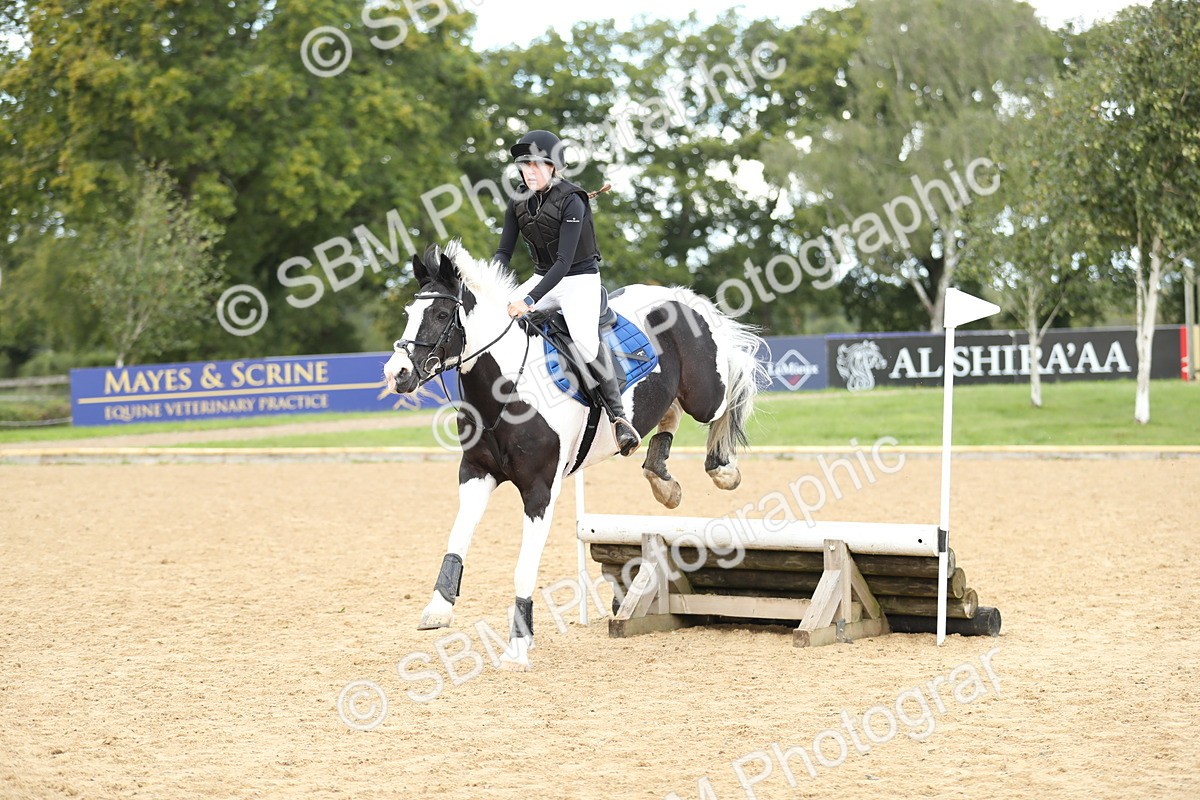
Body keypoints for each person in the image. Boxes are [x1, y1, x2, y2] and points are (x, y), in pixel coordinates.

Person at [492, 129, 640, 457]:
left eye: (536, 164)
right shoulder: (518, 199)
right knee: (496, 320)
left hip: (578, 280)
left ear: (554, 167)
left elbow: (563, 262)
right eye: (524, 165)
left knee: (585, 344)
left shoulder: (573, 200)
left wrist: (529, 300)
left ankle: (618, 417)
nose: (529, 171)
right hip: (542, 277)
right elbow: (504, 251)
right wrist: (487, 284)